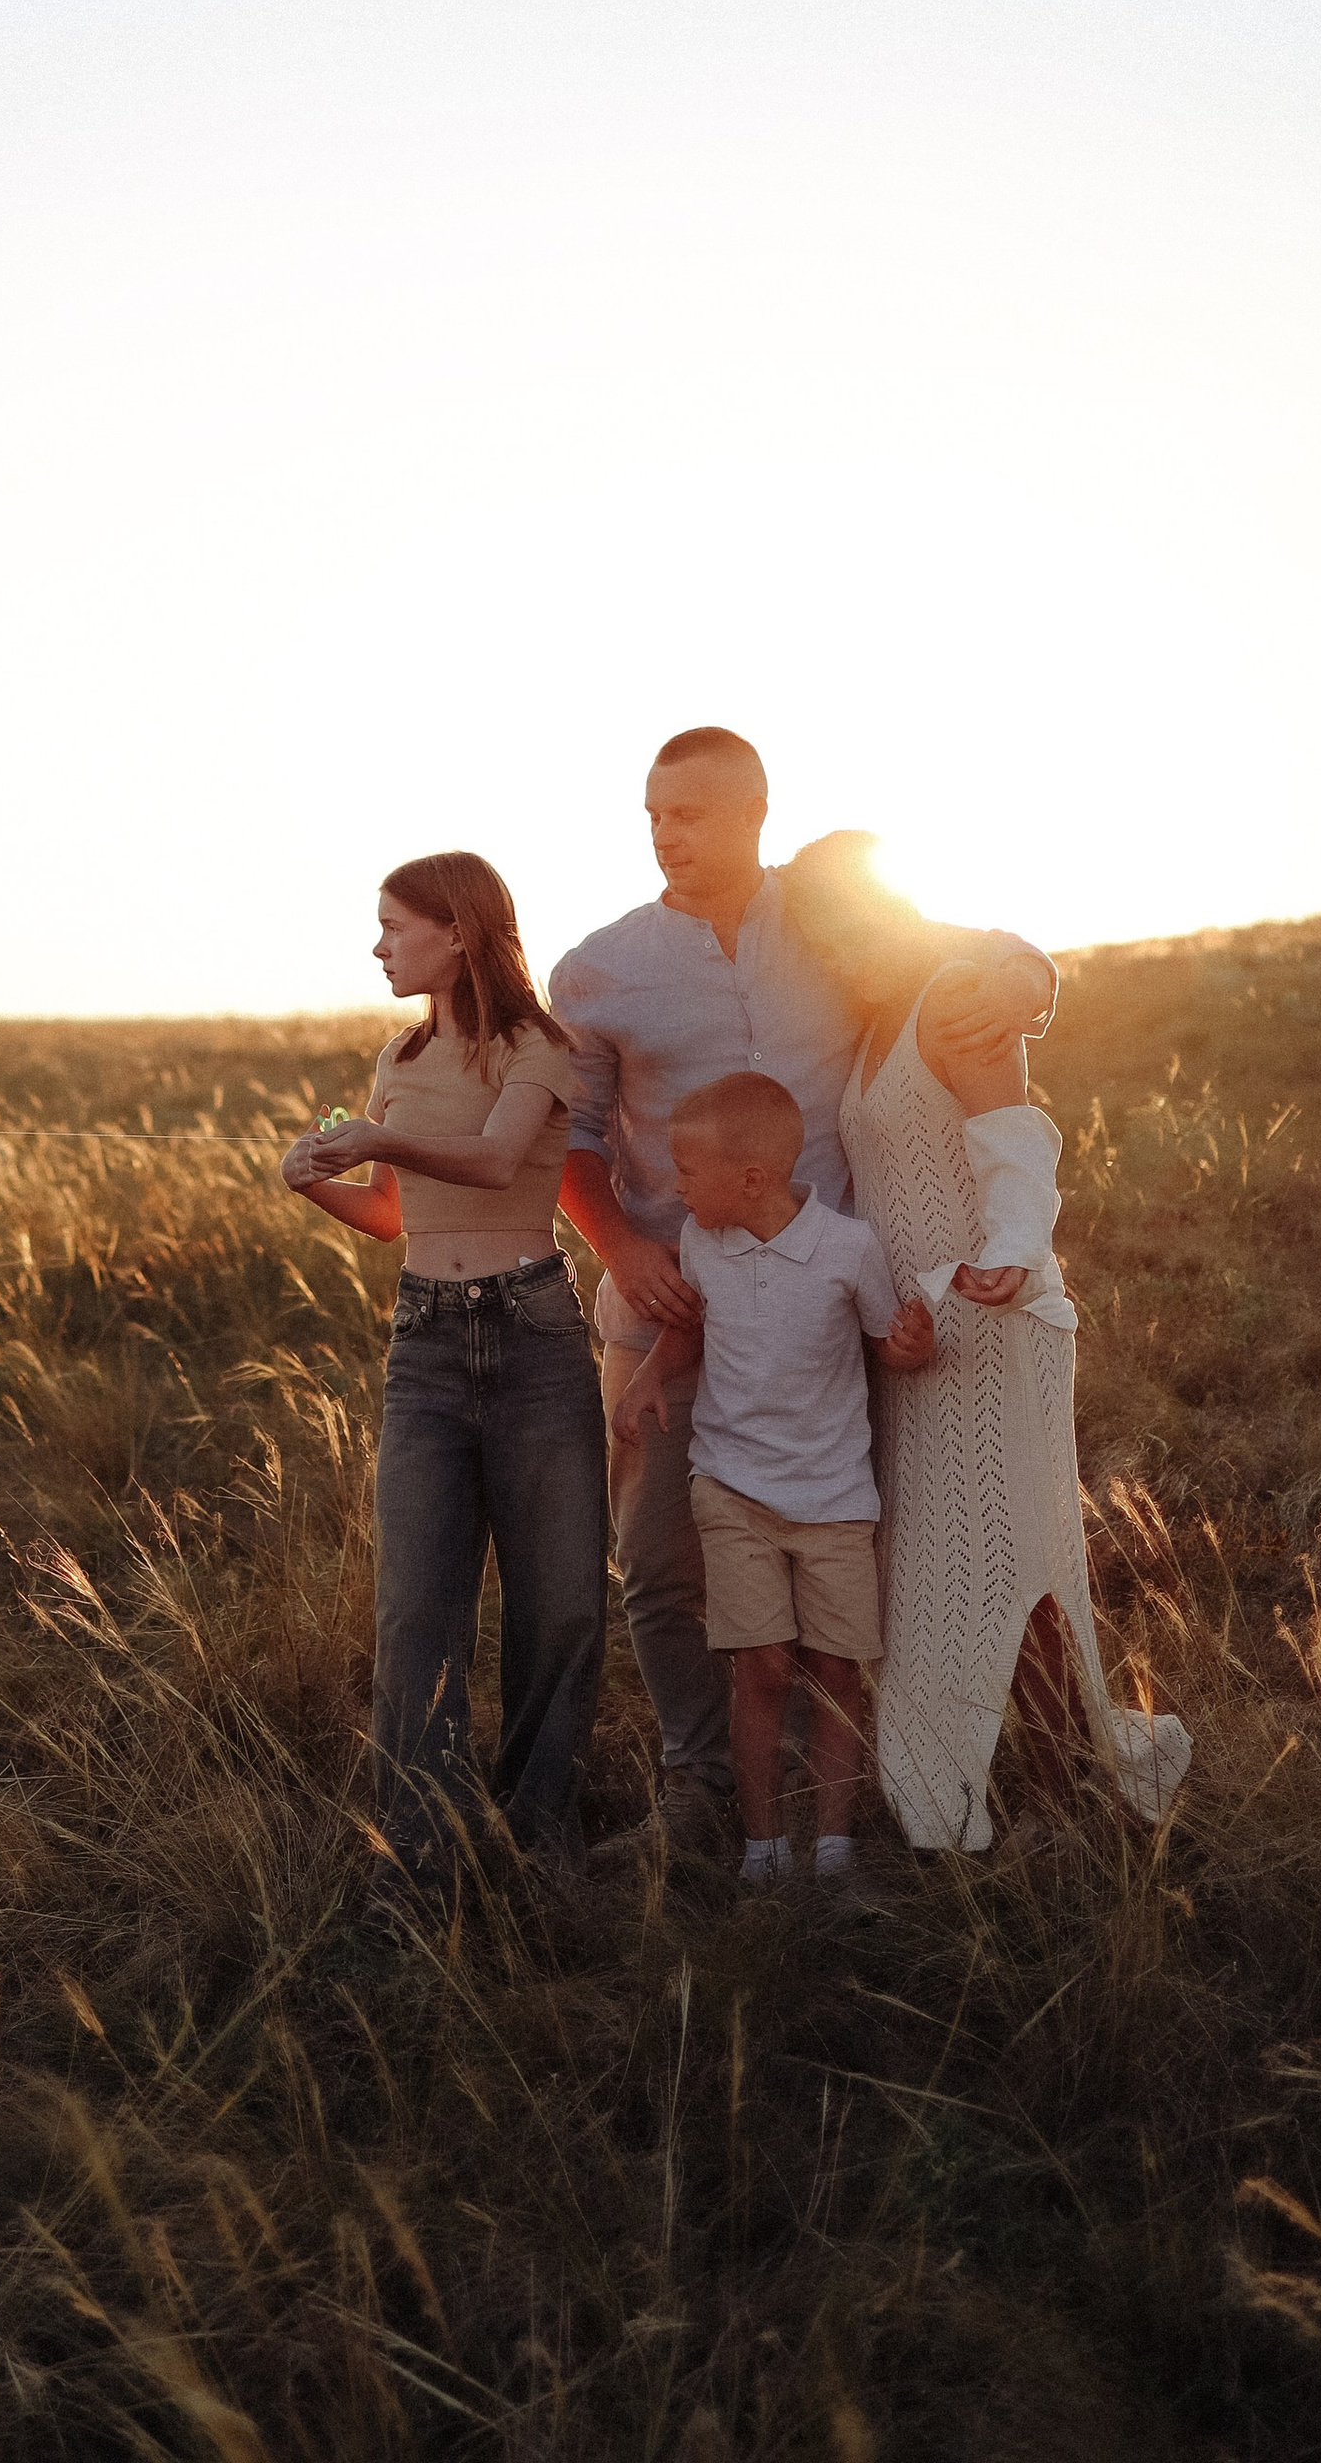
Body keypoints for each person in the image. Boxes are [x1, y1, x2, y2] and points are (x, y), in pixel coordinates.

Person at [551, 729, 1056, 1860]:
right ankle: (699, 1788)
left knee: (857, 1553)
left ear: (753, 814)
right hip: (673, 1311)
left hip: (839, 1309)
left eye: (687, 814)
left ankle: (836, 1796)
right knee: (669, 1561)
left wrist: (1030, 977)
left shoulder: (830, 922)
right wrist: (624, 1247)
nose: (664, 835)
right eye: (651, 816)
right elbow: (572, 1136)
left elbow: (983, 946)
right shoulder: (597, 967)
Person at [779, 831, 1191, 1852]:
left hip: (996, 1317)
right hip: (926, 1329)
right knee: (943, 1565)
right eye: (816, 941)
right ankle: (969, 1789)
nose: (835, 955)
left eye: (847, 929)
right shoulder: (877, 1017)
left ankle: (1063, 1799)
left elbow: (1014, 1142)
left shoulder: (957, 998)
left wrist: (1007, 1254)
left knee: (1018, 1561)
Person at [280, 852, 608, 1893]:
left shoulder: (539, 1047)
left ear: (457, 932)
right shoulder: (398, 1056)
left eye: (393, 927)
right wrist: (312, 1184)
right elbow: (390, 1214)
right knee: (416, 1609)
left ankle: (534, 1836)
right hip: (423, 1342)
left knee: (557, 1608)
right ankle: (418, 1859)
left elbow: (500, 1162)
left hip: (533, 1339)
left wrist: (377, 1136)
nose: (378, 946)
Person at [607, 1072, 937, 1891]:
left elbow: (885, 1346)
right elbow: (687, 1331)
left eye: (687, 1170)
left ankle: (830, 1849)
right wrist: (649, 1375)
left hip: (833, 1500)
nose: (675, 1185)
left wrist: (915, 1343)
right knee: (760, 1668)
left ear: (750, 1179)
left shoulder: (847, 1248)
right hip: (732, 1489)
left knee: (834, 1673)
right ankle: (761, 1853)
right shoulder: (701, 1242)